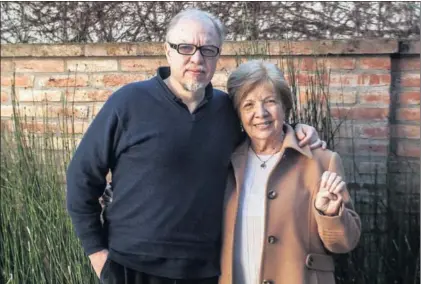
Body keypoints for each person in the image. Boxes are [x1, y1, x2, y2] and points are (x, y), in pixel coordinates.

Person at [66, 9, 325, 284]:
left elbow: (263, 128)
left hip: (205, 272)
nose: (197, 58)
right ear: (167, 51)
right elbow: (81, 177)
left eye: (208, 49)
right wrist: (96, 252)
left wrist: (296, 130)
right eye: (185, 47)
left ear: (217, 55)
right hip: (131, 268)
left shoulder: (227, 110)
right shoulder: (128, 102)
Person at [219, 60, 361, 284]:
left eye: (270, 102)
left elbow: (345, 243)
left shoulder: (321, 161)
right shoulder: (225, 163)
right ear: (238, 114)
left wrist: (331, 214)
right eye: (248, 105)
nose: (260, 113)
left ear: (285, 105)